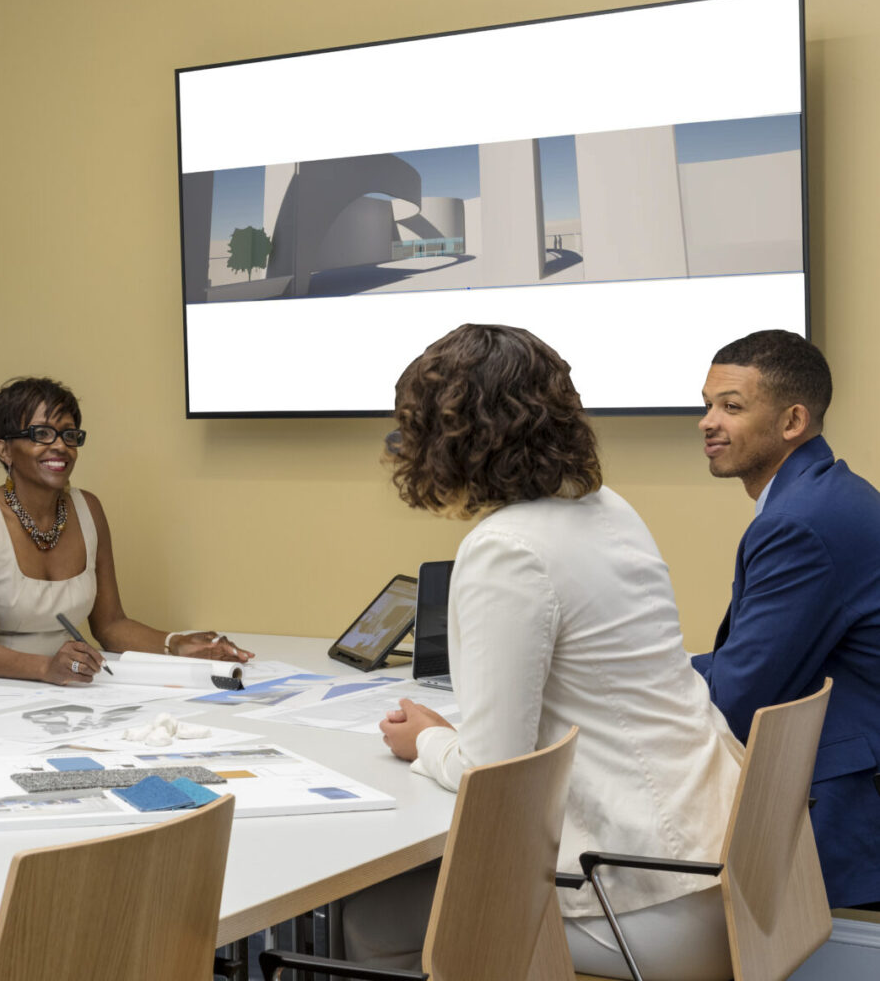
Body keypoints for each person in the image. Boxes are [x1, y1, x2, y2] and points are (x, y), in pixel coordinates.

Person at [373, 325, 742, 981]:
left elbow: (496, 778)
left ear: (447, 437)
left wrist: (427, 742)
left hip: (636, 902)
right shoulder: (608, 509)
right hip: (721, 875)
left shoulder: (505, 549)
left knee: (373, 905)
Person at [692, 329, 880, 910]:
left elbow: (739, 695)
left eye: (731, 407)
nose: (706, 422)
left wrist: (626, 683)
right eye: (707, 404)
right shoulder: (829, 493)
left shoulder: (797, 523)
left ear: (793, 420)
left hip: (840, 811)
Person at [0, 376, 252, 682]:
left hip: (51, 691)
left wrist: (175, 645)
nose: (60, 447)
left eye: (69, 435)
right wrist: (47, 668)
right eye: (42, 434)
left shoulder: (89, 509)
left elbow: (110, 625)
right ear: (4, 450)